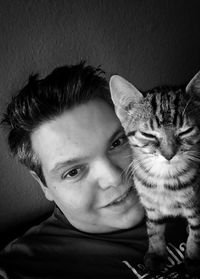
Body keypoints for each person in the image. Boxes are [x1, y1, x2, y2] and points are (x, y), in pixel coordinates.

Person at [0, 62, 190, 279]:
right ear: (44, 185)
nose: (114, 179)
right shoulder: (24, 267)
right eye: (73, 172)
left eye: (117, 143)